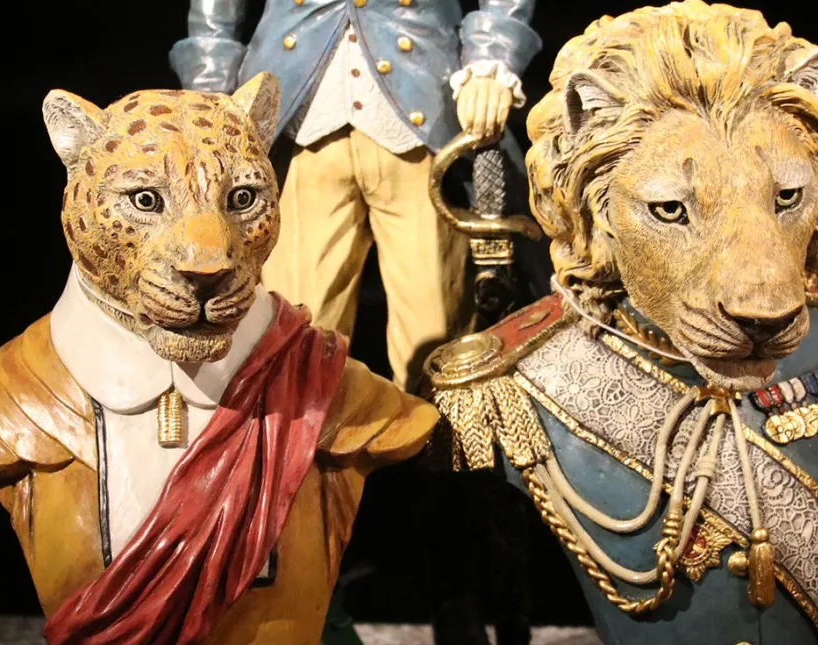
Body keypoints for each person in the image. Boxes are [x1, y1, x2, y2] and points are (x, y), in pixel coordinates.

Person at [170, 0, 541, 388]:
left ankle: (434, 426)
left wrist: (492, 57)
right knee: (299, 333)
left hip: (420, 112)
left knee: (435, 333)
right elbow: (215, 14)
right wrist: (208, 97)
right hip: (301, 122)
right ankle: (312, 428)